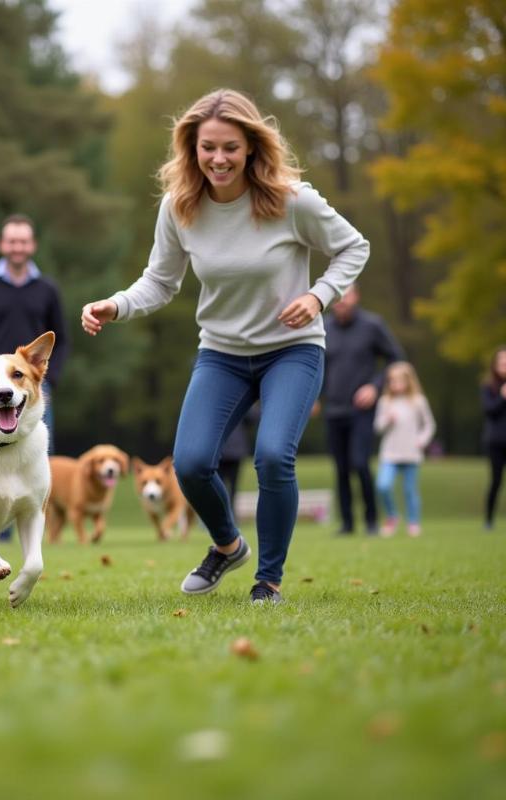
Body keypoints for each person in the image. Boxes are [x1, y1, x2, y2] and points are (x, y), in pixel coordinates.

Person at [81, 88, 369, 604]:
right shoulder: (180, 206)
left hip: (292, 349)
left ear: (252, 147)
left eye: (231, 147)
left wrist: (319, 296)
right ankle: (227, 546)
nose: (218, 159)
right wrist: (115, 305)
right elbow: (160, 281)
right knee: (190, 463)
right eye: (207, 147)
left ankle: (269, 580)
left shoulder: (291, 200)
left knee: (273, 456)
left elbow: (353, 246)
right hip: (222, 353)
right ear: (191, 148)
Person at [0, 214, 68, 541]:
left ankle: (32, 528)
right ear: (2, 245)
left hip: (31, 386)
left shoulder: (47, 289)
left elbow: (60, 337)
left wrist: (51, 379)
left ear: (31, 245)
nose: (17, 247)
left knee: (37, 455)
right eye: (11, 241)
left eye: (23, 241)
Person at [322, 283, 404, 535]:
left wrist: (375, 386)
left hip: (362, 410)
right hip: (333, 409)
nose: (341, 301)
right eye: (337, 296)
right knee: (341, 467)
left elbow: (397, 357)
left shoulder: (372, 325)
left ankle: (371, 520)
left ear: (356, 296)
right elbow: (313, 363)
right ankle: (347, 523)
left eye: (346, 295)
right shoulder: (322, 327)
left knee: (360, 462)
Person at [373, 361, 436, 537]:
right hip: (390, 453)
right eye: (392, 381)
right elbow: (378, 427)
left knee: (410, 490)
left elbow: (429, 425)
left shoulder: (418, 401)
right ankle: (392, 516)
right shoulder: (385, 402)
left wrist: (422, 440)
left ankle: (413, 522)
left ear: (409, 381)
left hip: (411, 453)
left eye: (399, 381)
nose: (396, 385)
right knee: (383, 486)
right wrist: (387, 420)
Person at [482, 346, 506, 530]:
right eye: (501, 361)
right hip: (496, 441)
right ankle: (489, 520)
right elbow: (489, 411)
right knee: (496, 481)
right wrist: (502, 397)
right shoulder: (488, 387)